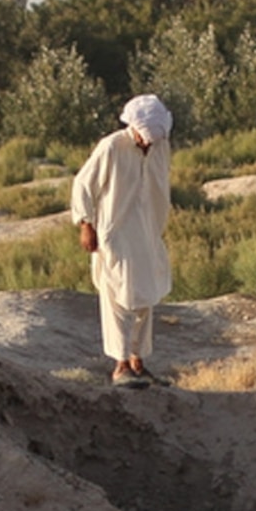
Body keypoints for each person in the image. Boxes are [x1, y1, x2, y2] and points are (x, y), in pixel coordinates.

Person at [71, 92, 174, 386]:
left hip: (147, 231)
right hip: (115, 232)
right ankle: (120, 366)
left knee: (146, 295)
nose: (148, 143)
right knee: (116, 296)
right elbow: (83, 185)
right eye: (144, 138)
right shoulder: (112, 147)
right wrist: (85, 224)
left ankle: (138, 361)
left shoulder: (160, 145)